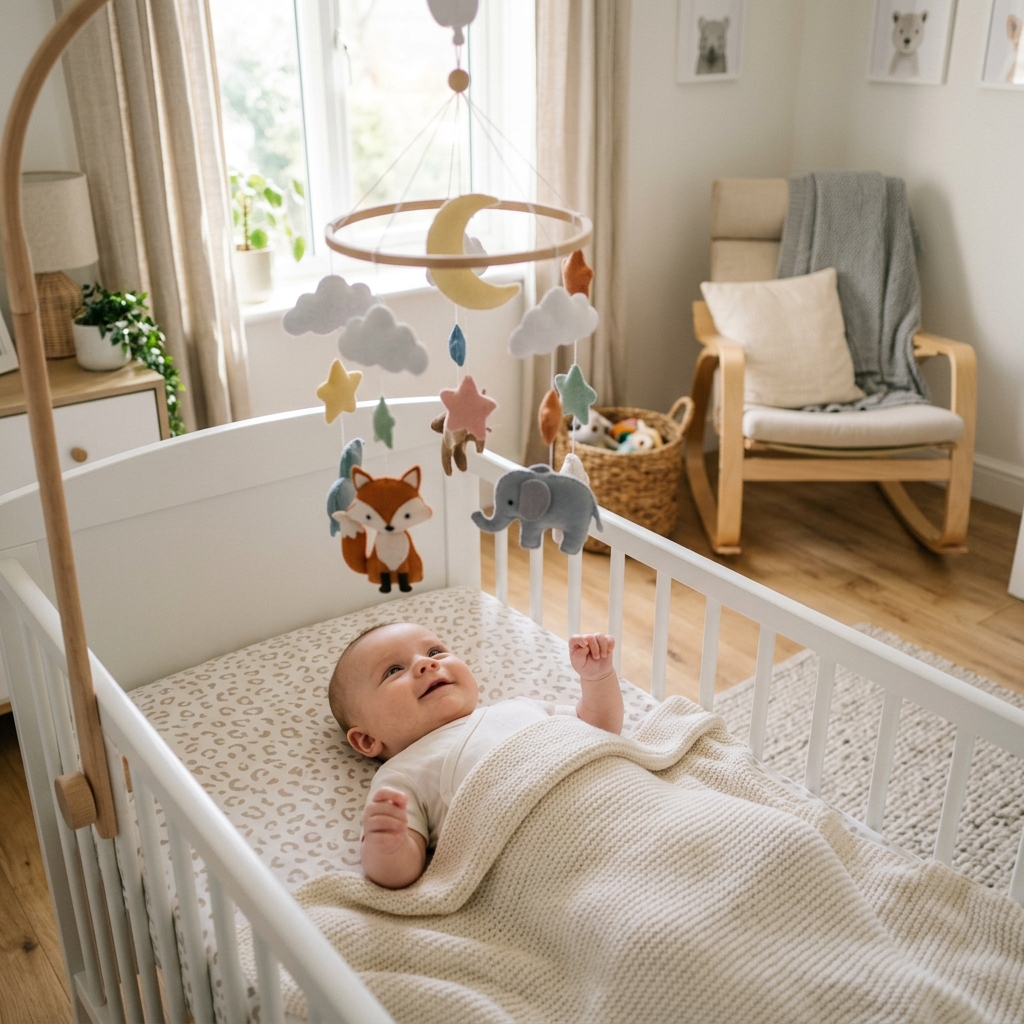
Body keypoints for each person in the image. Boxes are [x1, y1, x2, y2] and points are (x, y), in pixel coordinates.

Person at [329, 622, 622, 888]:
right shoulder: (401, 772)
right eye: (393, 671)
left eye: (435, 651)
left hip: (618, 799)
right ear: (367, 739)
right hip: (557, 859)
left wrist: (597, 678)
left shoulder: (518, 706)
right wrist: (386, 844)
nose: (425, 664)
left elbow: (598, 729)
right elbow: (402, 872)